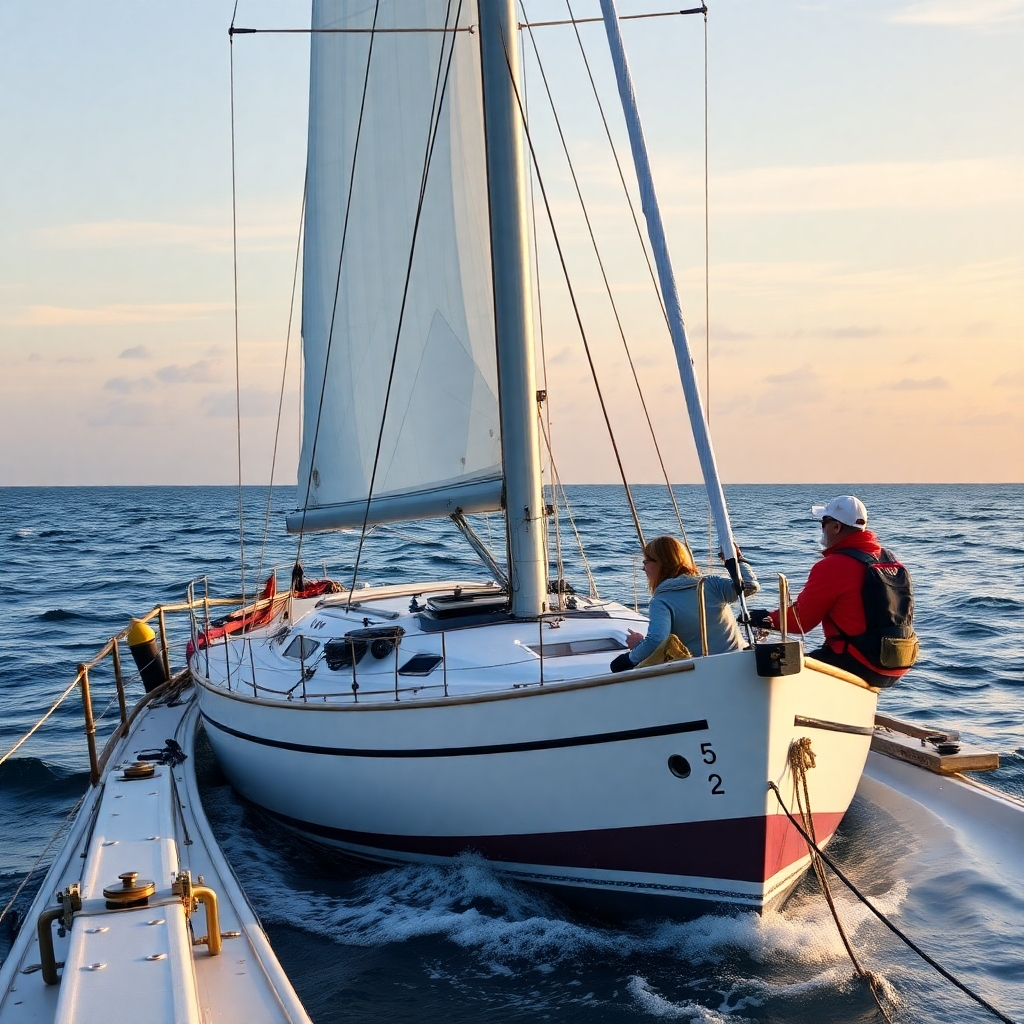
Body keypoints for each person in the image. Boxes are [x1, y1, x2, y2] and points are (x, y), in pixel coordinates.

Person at [746, 495, 916, 687]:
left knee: (771, 667)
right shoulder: (891, 560)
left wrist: (766, 618)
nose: (822, 529)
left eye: (823, 523)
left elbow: (801, 622)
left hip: (860, 662)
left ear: (836, 527)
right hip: (898, 661)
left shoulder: (833, 566)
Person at [610, 535, 759, 672]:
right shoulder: (711, 584)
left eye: (646, 562)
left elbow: (657, 639)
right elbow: (751, 586)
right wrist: (738, 560)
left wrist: (628, 658)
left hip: (704, 672)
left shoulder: (661, 601)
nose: (644, 568)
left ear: (661, 563)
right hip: (740, 664)